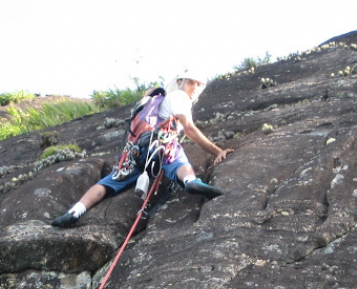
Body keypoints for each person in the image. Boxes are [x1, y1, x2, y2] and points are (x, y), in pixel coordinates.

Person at [51, 73, 233, 227]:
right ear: (180, 82)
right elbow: (190, 129)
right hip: (159, 145)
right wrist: (217, 151)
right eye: (191, 82)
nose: (194, 87)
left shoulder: (159, 101)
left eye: (198, 84)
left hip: (136, 151)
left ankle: (75, 211)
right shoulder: (179, 97)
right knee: (177, 155)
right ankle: (191, 180)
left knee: (109, 183)